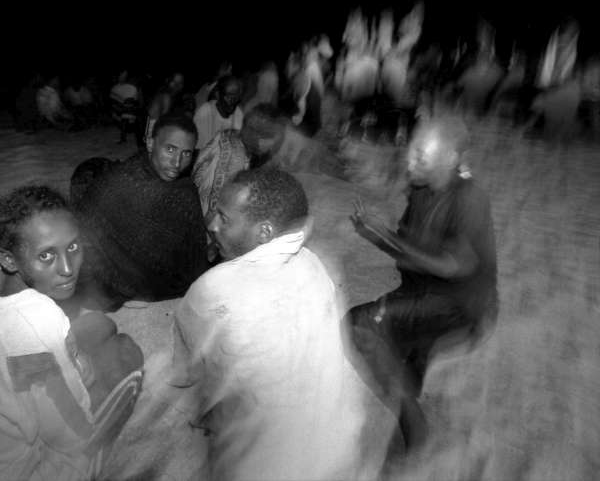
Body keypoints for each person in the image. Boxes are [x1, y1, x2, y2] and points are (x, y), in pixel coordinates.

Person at [0, 185, 144, 481]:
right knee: (127, 354)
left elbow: (24, 357)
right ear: (10, 259)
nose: (68, 268)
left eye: (74, 247)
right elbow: (72, 435)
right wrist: (83, 379)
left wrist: (70, 365)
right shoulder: (40, 320)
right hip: (11, 472)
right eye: (46, 256)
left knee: (101, 326)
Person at [171, 168, 365, 480]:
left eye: (224, 217)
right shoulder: (315, 265)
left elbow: (186, 374)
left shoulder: (213, 290)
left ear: (264, 233)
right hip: (342, 454)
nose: (212, 224)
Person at [345, 115, 498, 455]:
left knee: (361, 323)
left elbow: (452, 266)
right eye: (411, 151)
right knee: (397, 349)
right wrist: (376, 235)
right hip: (424, 290)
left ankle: (415, 426)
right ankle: (410, 388)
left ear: (451, 160)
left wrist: (385, 235)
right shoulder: (421, 189)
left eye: (421, 157)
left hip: (460, 305)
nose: (409, 162)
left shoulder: (469, 198)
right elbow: (407, 245)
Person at [71, 115, 209, 310]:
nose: (177, 162)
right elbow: (85, 226)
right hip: (121, 276)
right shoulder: (120, 179)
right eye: (170, 149)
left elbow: (194, 250)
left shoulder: (185, 191)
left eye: (186, 154)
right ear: (151, 144)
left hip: (155, 276)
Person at [191, 104, 286, 223]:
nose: (275, 148)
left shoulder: (232, 136)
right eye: (274, 141)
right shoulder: (233, 161)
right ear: (257, 136)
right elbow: (212, 218)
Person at [192, 75, 244, 150]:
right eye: (229, 97)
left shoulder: (238, 113)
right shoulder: (205, 112)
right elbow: (199, 149)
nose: (233, 101)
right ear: (218, 95)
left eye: (236, 97)